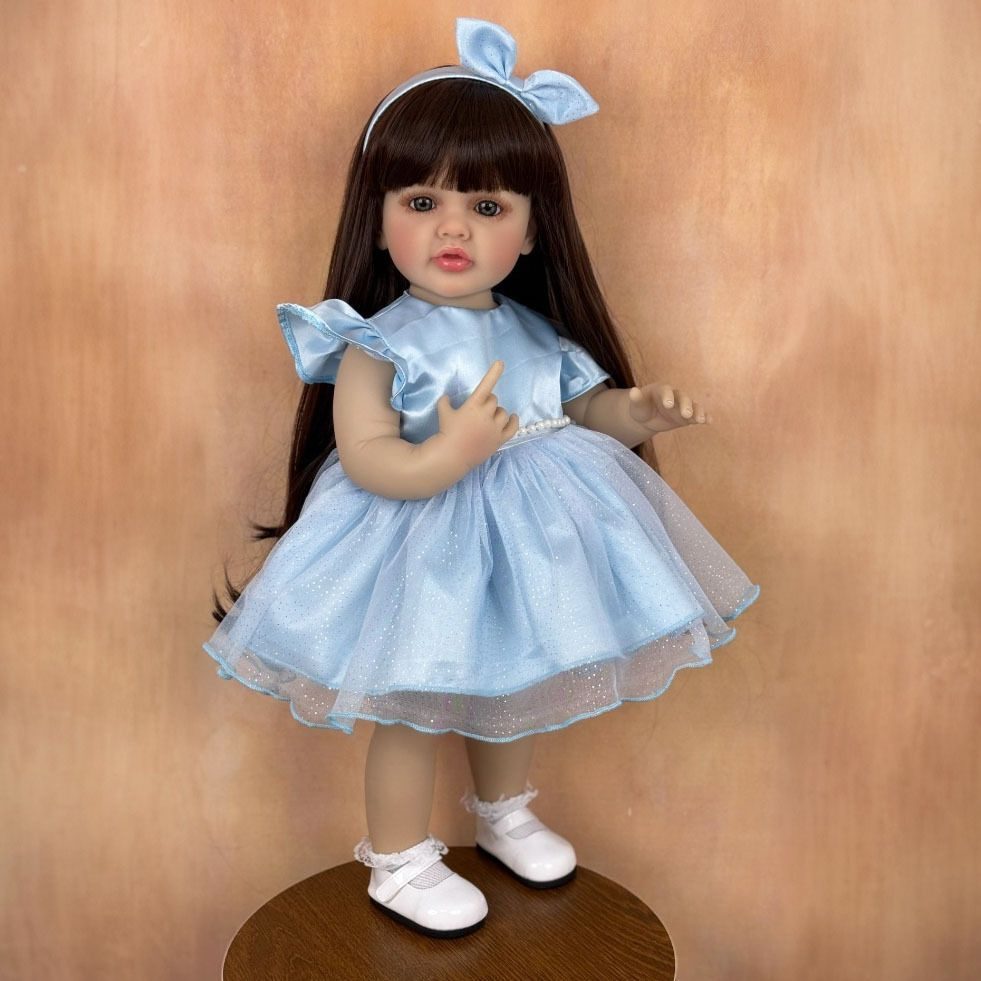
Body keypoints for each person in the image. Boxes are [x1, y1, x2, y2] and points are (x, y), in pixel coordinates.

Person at [204, 18, 760, 939]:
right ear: (377, 218)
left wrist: (635, 413)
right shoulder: (374, 343)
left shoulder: (536, 333)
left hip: (528, 543)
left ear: (536, 232)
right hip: (417, 549)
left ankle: (502, 811)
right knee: (410, 705)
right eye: (422, 200)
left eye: (489, 207)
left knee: (513, 681)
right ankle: (397, 858)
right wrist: (449, 454)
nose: (453, 227)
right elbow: (370, 456)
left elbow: (579, 410)